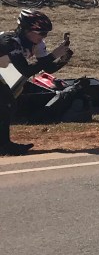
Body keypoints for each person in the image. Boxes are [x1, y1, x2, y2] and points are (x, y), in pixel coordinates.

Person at [0, 9, 72, 155]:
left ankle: (4, 145)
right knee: (6, 104)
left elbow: (48, 68)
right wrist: (53, 54)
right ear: (26, 30)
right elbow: (25, 70)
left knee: (8, 105)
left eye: (46, 33)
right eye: (41, 33)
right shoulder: (10, 42)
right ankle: (5, 146)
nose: (44, 37)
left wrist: (64, 57)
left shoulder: (37, 44)